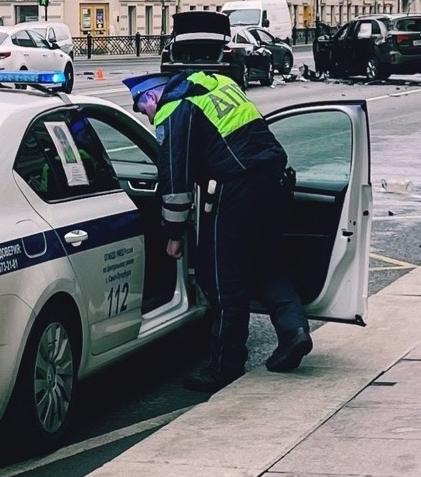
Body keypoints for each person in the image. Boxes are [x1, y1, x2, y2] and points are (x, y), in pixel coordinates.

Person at [129, 68, 313, 391]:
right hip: (277, 180)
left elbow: (175, 178)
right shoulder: (219, 83)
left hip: (238, 188)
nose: (148, 119)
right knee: (263, 264)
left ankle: (225, 366)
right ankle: (294, 330)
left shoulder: (173, 108)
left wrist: (173, 234)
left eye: (145, 111)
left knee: (223, 278)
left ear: (152, 96)